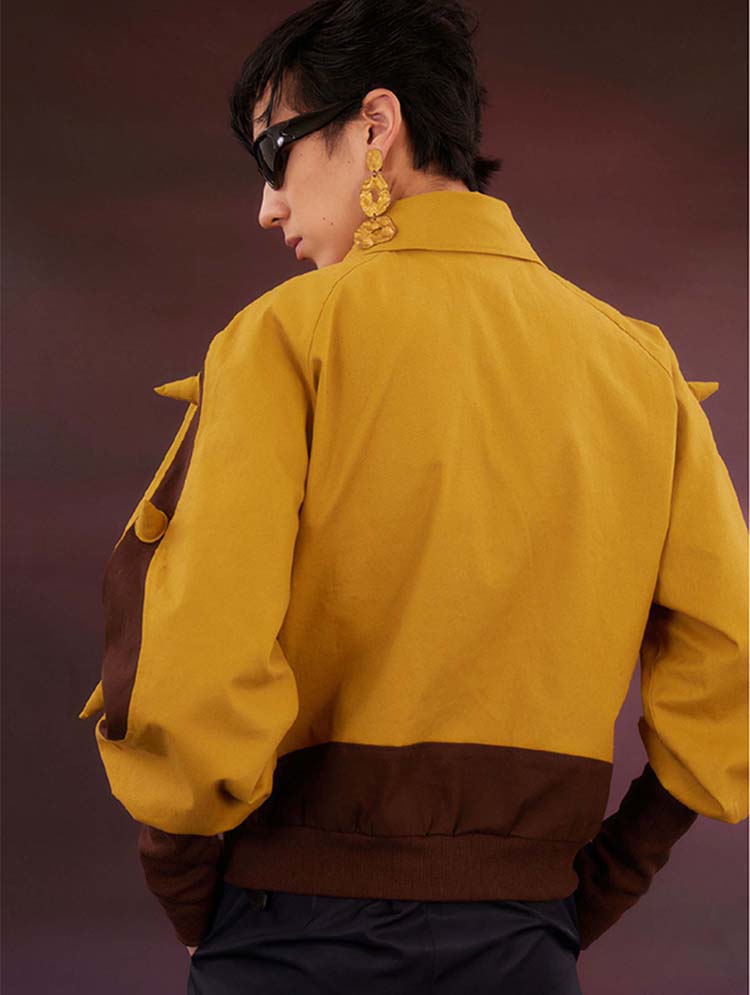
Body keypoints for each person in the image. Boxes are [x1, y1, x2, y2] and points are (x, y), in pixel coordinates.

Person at [77, 1, 749, 992]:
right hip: (525, 942)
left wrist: (186, 883)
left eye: (275, 153)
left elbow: (195, 643)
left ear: (375, 125)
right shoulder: (641, 370)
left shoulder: (286, 338)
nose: (267, 206)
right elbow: (729, 663)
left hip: (287, 935)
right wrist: (589, 890)